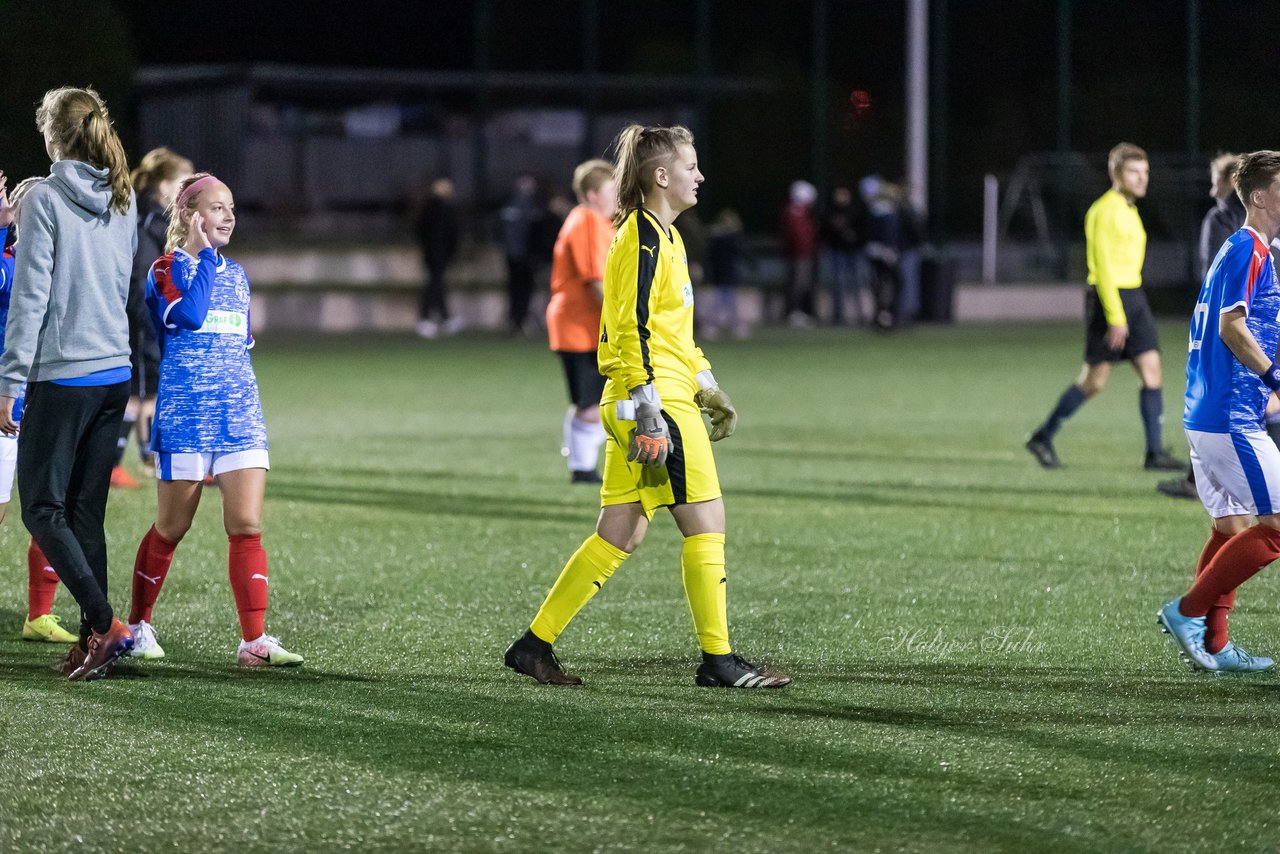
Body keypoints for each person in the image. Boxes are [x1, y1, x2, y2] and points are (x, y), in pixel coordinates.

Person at [503, 124, 792, 689]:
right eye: (691, 166)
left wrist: (707, 383)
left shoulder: (664, 235)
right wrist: (650, 407)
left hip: (654, 395)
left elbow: (670, 331)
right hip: (653, 402)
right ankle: (719, 661)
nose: (700, 175)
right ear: (662, 176)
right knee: (706, 522)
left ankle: (532, 645)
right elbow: (627, 328)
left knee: (620, 533)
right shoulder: (642, 238)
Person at [125, 172, 302, 667]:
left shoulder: (239, 274)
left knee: (247, 525)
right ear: (189, 214)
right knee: (171, 527)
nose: (228, 216)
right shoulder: (164, 268)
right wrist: (202, 260)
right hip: (186, 415)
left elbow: (240, 343)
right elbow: (191, 316)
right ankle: (138, 625)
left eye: (231, 208)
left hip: (239, 412)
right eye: (217, 207)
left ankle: (254, 641)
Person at [0, 87, 138, 680]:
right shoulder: (124, 197)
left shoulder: (45, 199)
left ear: (52, 135)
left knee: (40, 507)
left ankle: (107, 625)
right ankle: (93, 643)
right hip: (114, 373)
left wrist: (9, 380)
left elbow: (30, 297)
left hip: (63, 374)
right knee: (85, 513)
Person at [1156, 150, 1280, 674]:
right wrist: (1274, 379)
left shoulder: (1246, 249)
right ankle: (1187, 612)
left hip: (1207, 412)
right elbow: (1232, 327)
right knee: (1275, 528)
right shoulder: (1247, 248)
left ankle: (1213, 643)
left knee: (1231, 527)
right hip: (1230, 417)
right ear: (1258, 196)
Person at [1025, 142, 1183, 471]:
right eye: (1134, 172)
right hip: (1110, 299)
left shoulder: (1129, 208)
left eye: (1146, 172)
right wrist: (1115, 316)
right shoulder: (1104, 210)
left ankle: (1154, 454)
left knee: (1152, 371)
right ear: (1115, 173)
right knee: (1094, 381)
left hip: (1135, 296)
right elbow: (1103, 267)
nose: (1142, 179)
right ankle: (1043, 436)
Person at [0, 174, 77, 645]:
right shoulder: (7, 263)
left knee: (50, 504)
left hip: (45, 394)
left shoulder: (55, 264)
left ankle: (39, 614)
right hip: (5, 398)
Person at [1158, 153, 1246, 499]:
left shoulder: (1221, 217)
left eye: (1215, 182)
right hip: (1263, 321)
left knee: (1211, 397)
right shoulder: (1268, 220)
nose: (1212, 191)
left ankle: (1200, 480)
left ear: (1229, 182)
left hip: (1227, 323)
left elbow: (1214, 274)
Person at [111, 147, 193, 488]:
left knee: (147, 395)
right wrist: (149, 321)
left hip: (151, 321)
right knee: (137, 395)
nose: (185, 192)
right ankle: (113, 464)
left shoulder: (158, 220)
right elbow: (140, 278)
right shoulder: (146, 221)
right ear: (162, 186)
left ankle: (148, 457)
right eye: (180, 184)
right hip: (142, 321)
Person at [546, 159, 616, 484]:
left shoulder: (600, 222)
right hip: (579, 327)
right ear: (591, 195)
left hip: (587, 327)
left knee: (596, 401)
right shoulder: (587, 221)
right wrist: (625, 320)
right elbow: (596, 280)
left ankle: (581, 463)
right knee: (593, 404)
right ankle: (582, 468)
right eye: (612, 190)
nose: (619, 196)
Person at [414, 177, 462, 339]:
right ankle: (426, 318)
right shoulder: (443, 208)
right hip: (438, 252)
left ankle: (445, 318)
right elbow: (452, 233)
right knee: (435, 283)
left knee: (436, 283)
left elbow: (420, 229)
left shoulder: (428, 208)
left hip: (433, 252)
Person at [499, 175, 544, 335]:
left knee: (515, 289)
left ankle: (515, 320)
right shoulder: (530, 207)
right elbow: (534, 234)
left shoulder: (510, 206)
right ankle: (520, 320)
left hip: (514, 256)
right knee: (524, 290)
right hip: (524, 257)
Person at [819, 186, 866, 327]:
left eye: (843, 194)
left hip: (854, 252)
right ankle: (838, 316)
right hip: (837, 251)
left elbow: (863, 229)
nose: (841, 197)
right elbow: (825, 231)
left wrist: (855, 239)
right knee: (838, 284)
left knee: (857, 284)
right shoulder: (830, 211)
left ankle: (860, 315)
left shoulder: (855, 211)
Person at [702, 208, 750, 340]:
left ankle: (721, 325)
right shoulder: (722, 238)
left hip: (727, 274)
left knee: (726, 300)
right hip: (723, 274)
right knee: (724, 301)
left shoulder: (725, 238)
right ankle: (718, 325)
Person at [780, 180, 818, 327]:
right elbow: (797, 236)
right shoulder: (795, 213)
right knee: (797, 285)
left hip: (800, 255)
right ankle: (794, 312)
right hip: (799, 255)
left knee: (801, 284)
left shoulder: (798, 212)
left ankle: (798, 311)